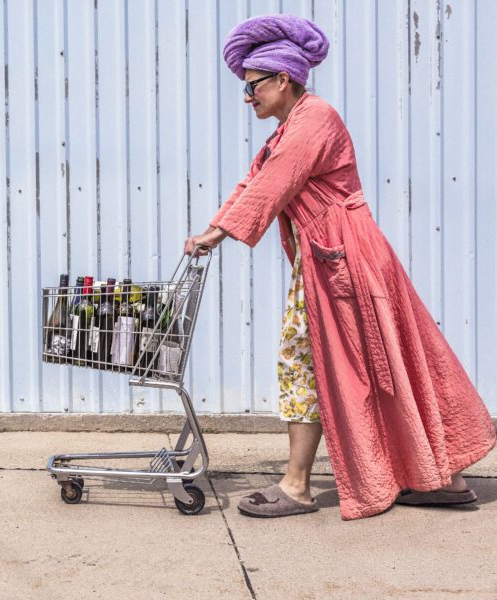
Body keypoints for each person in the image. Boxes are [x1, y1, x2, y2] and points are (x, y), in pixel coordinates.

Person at [184, 14, 496, 520]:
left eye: (253, 86)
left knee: (303, 362)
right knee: (386, 361)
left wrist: (217, 234)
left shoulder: (315, 119)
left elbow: (274, 184)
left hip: (343, 262)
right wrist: (215, 227)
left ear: (283, 79)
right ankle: (443, 478)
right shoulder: (289, 127)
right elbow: (253, 181)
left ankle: (298, 485)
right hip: (335, 259)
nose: (248, 98)